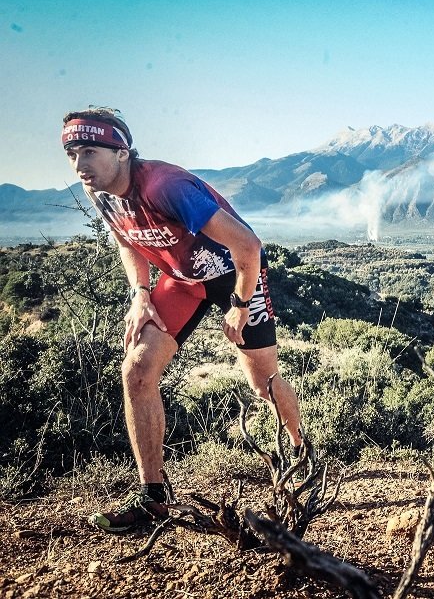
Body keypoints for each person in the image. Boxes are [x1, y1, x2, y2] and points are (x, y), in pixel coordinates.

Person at [62, 107, 303, 532]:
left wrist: (240, 303)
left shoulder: (165, 186)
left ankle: (301, 452)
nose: (80, 165)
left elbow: (250, 246)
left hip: (235, 276)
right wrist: (140, 294)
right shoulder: (99, 190)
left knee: (262, 382)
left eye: (90, 151)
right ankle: (153, 496)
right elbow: (128, 241)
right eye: (72, 153)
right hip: (182, 280)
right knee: (136, 369)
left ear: (122, 153)